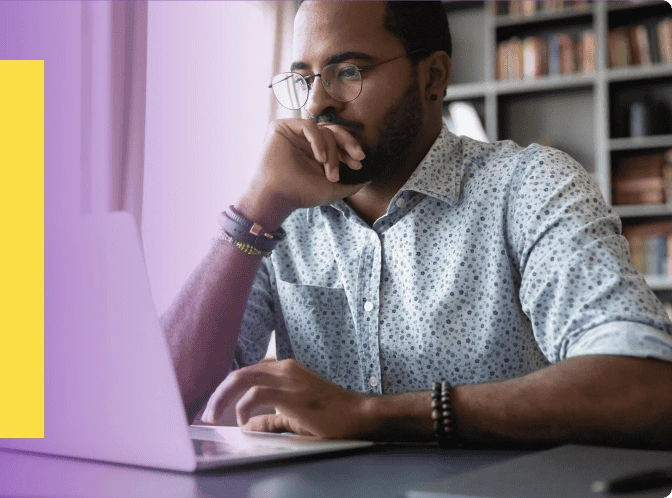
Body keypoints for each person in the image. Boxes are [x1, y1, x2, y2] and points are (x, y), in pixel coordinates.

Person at [162, 0, 672, 449]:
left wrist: (370, 416)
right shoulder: (283, 215)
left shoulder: (527, 186)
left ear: (432, 77)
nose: (316, 103)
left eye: (348, 71)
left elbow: (643, 386)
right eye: (305, 78)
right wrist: (254, 212)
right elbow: (165, 403)